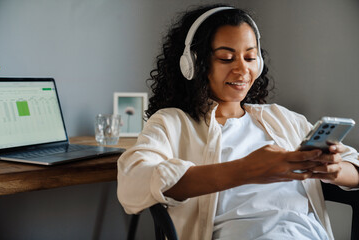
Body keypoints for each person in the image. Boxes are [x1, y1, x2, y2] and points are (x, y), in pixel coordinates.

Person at [117, 4, 359, 240]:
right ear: (193, 64)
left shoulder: (282, 119)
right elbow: (133, 182)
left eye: (250, 57)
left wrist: (333, 170)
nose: (242, 69)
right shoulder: (172, 124)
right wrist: (245, 170)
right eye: (226, 58)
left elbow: (355, 166)